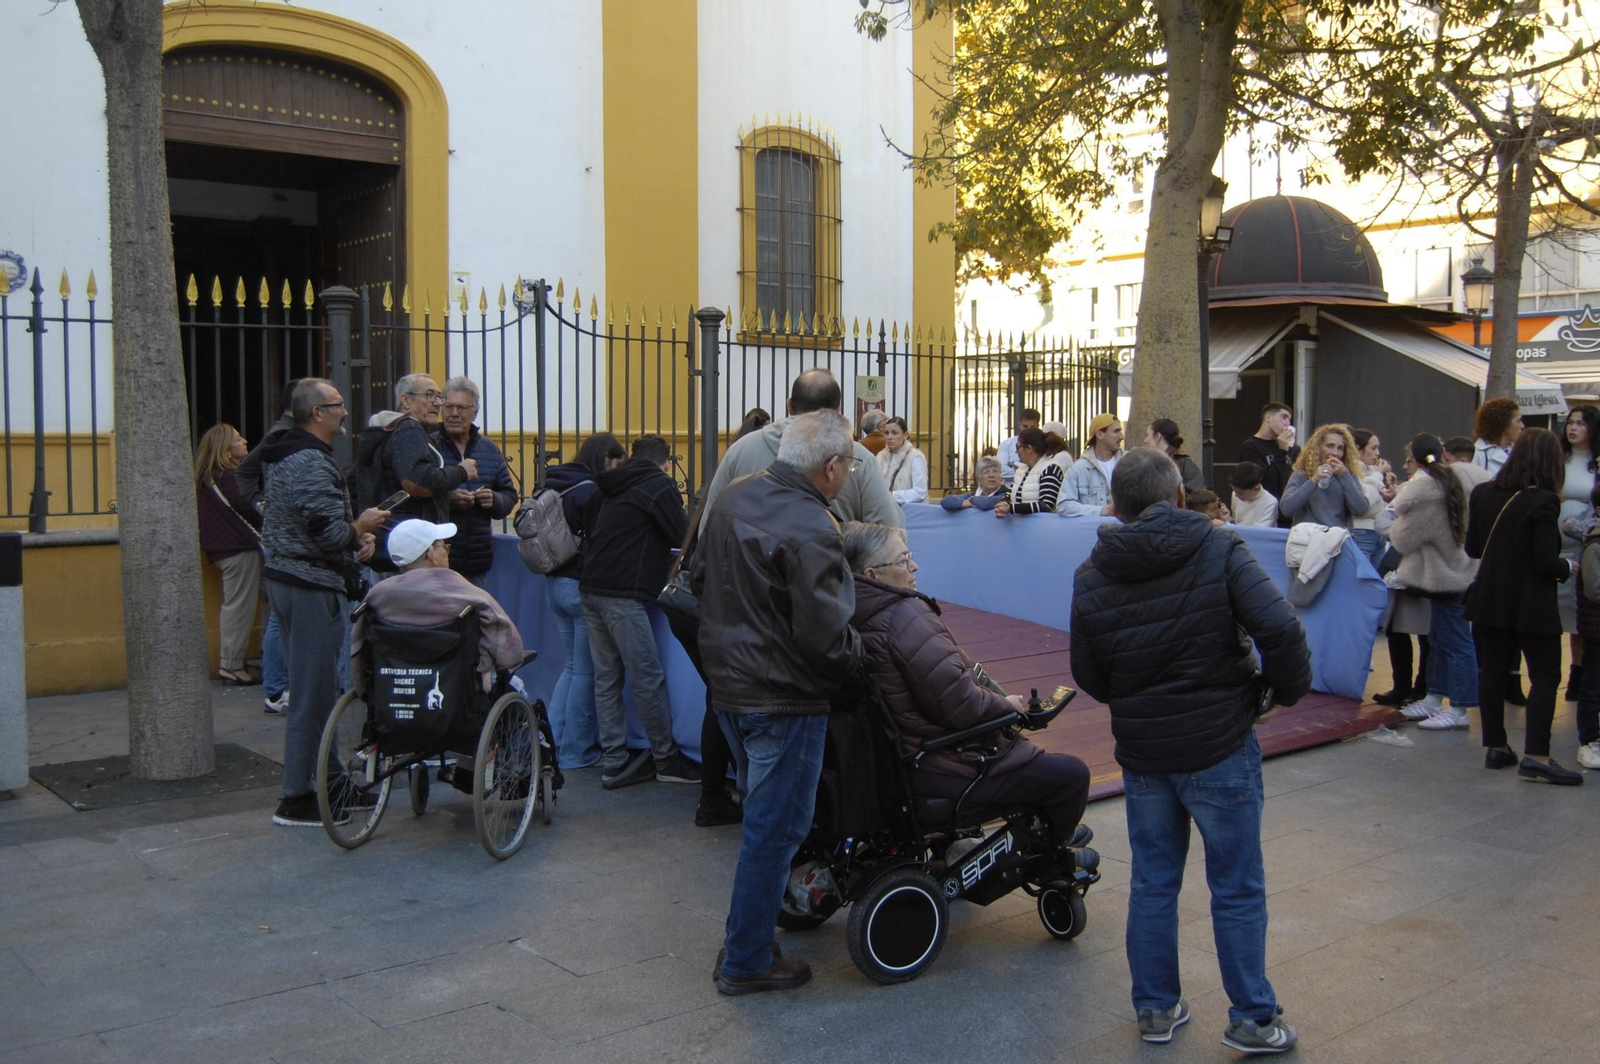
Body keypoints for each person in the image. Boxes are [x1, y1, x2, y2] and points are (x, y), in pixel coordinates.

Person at [1070, 447, 1312, 1053]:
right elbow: (1280, 628)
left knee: (1154, 880)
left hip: (1148, 748)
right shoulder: (1219, 546)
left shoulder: (1093, 571)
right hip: (1219, 743)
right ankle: (1253, 1017)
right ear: (1179, 496)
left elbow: (1091, 676)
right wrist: (1278, 693)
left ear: (1117, 507)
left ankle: (1155, 1007)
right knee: (1235, 884)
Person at [690, 410, 864, 996]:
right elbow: (827, 639)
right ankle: (745, 958)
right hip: (782, 699)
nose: (848, 473)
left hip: (731, 690)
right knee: (774, 830)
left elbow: (698, 576)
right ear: (832, 467)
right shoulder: (814, 525)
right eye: (849, 464)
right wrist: (860, 664)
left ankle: (750, 938)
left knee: (765, 824)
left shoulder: (737, 495)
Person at [841, 521, 1095, 855]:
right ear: (872, 575)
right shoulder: (904, 616)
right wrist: (1010, 707)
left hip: (900, 761)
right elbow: (960, 702)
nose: (914, 566)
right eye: (903, 561)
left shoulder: (846, 614)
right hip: (940, 762)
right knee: (1071, 776)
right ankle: (1051, 850)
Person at [259, 378, 389, 827]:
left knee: (318, 691)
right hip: (310, 586)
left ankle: (331, 782)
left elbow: (319, 532)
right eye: (337, 405)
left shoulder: (284, 453)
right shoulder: (310, 464)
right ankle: (296, 797)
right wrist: (360, 525)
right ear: (317, 412)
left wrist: (355, 540)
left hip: (289, 577)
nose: (345, 412)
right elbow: (329, 534)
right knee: (313, 697)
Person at [1465, 427, 1582, 785]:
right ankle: (1537, 755)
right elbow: (1546, 561)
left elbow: (1473, 548)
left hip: (1489, 598)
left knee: (1493, 672)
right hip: (1531, 603)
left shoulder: (1483, 493)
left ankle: (1496, 746)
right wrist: (1568, 567)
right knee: (1546, 674)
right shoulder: (1545, 500)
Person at [581, 434, 698, 790]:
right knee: (647, 676)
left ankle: (614, 758)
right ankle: (666, 758)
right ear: (666, 462)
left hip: (591, 586)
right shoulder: (659, 486)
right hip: (623, 592)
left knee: (607, 678)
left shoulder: (612, 481)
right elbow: (683, 535)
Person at [700, 369, 902, 531]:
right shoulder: (857, 456)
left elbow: (709, 526)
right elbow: (890, 532)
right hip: (831, 576)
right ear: (837, 411)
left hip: (745, 579)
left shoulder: (741, 450)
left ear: (789, 405)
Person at [350, 519, 525, 690]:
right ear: (430, 554)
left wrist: (363, 687)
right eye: (443, 546)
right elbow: (508, 647)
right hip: (456, 685)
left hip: (394, 682)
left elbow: (358, 645)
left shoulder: (377, 595)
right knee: (516, 684)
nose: (447, 552)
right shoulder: (467, 594)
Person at [541, 432, 627, 771]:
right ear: (607, 458)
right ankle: (576, 751)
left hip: (553, 582)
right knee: (586, 672)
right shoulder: (591, 492)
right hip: (579, 585)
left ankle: (553, 742)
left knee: (572, 668)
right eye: (617, 463)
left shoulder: (555, 481)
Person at [1388, 435, 1480, 732]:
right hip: (1462, 569)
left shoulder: (1424, 490)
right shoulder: (1462, 479)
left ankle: (1459, 708)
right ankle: (1434, 698)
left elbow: (1403, 538)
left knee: (1454, 642)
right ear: (1442, 453)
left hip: (1443, 576)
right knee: (1441, 639)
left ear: (1413, 461)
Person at [362, 373, 478, 557]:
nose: (438, 403)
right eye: (429, 395)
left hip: (388, 537)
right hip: (409, 544)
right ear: (406, 400)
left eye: (439, 396)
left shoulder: (388, 429)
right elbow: (417, 484)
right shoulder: (409, 429)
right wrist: (461, 472)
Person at [236, 378, 299, 712]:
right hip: (283, 536)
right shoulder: (282, 434)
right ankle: (276, 690)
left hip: (280, 533)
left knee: (280, 613)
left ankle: (279, 687)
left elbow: (246, 472)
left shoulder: (285, 431)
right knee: (279, 615)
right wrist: (259, 503)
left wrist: (260, 502)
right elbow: (245, 472)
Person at [194, 423, 263, 686]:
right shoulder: (229, 479)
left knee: (237, 604)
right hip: (238, 549)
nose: (244, 441)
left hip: (224, 549)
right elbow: (250, 509)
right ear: (225, 449)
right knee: (239, 607)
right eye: (237, 439)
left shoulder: (210, 478)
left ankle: (231, 663)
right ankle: (231, 665)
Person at [434, 377, 517, 588]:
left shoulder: (489, 449)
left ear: (474, 413)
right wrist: (449, 499)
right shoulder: (430, 446)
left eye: (461, 408)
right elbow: (417, 492)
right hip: (437, 560)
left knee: (475, 618)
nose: (454, 413)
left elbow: (509, 495)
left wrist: (494, 500)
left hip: (477, 561)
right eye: (449, 406)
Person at [1558, 405, 1600, 699]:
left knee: (1580, 610)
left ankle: (1580, 674)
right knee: (1562, 609)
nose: (1573, 428)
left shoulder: (1596, 464)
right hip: (1556, 541)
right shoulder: (1558, 458)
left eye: (1580, 423)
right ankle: (1574, 670)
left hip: (1587, 542)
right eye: (1570, 422)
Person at [1278, 424, 1369, 529]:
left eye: (1340, 448)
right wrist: (1313, 480)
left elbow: (1361, 510)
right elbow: (1287, 509)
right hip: (1307, 537)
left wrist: (1344, 476)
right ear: (1318, 448)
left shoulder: (1348, 475)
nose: (1335, 453)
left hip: (1336, 537)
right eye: (1330, 446)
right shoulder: (1302, 473)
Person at [1237, 402, 1300, 524]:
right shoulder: (1251, 447)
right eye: (1284, 417)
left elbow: (1291, 481)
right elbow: (1263, 482)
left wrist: (1287, 451)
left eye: (1289, 420)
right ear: (1268, 417)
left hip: (1287, 514)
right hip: (1262, 514)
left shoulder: (1292, 449)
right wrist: (1281, 452)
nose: (1287, 424)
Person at [1574, 482, 1600, 769]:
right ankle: (1588, 739)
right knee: (1593, 685)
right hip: (1596, 630)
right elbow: (1595, 590)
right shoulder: (1595, 546)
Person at [994, 426, 1073, 517]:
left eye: (1018, 447)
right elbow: (1010, 494)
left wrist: (1012, 508)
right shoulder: (1021, 470)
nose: (1016, 452)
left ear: (1029, 449)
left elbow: (1046, 505)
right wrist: (1004, 503)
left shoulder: (1051, 469)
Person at [1058, 413, 1123, 517]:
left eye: (1120, 431)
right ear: (1099, 434)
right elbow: (1064, 505)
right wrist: (1099, 511)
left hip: (1124, 531)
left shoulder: (1130, 463)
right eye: (1116, 431)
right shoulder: (1079, 468)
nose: (1122, 436)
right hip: (1092, 532)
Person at [1349, 429, 1397, 567]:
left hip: (1378, 533)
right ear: (1358, 448)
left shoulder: (1372, 471)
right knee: (1361, 578)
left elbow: (1380, 505)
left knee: (1378, 581)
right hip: (1361, 532)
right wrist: (1378, 476)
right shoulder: (1352, 470)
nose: (1378, 453)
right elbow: (1364, 504)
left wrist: (1389, 487)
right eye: (1373, 448)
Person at [876, 416, 929, 506]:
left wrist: (892, 496)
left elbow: (920, 491)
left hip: (908, 512)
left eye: (894, 433)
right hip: (884, 510)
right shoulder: (880, 457)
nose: (889, 437)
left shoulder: (915, 457)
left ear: (905, 435)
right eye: (886, 433)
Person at [1146, 418, 1204, 492]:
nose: (1145, 440)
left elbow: (1196, 498)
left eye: (1147, 435)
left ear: (1157, 436)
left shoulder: (1186, 465)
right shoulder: (1149, 464)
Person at [1472, 397, 1522, 476]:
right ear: (1504, 423)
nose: (1522, 426)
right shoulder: (1478, 454)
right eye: (1518, 421)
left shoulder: (1519, 452)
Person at [940, 454, 1008, 510]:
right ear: (979, 478)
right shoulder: (976, 494)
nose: (991, 475)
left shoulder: (1006, 494)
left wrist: (971, 501)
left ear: (1001, 476)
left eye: (995, 471)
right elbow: (946, 501)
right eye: (986, 472)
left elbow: (988, 503)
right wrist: (965, 502)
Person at [998, 407, 1042, 486]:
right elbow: (1000, 469)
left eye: (1032, 427)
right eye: (1025, 426)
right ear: (1019, 424)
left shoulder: (1042, 445)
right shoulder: (1006, 444)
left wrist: (1016, 469)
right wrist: (1027, 472)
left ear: (1037, 426)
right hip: (1010, 490)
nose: (1028, 430)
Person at [1229, 463, 1278, 527]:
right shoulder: (1235, 495)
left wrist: (1227, 525)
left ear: (1256, 488)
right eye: (1235, 491)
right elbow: (1236, 522)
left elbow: (1258, 532)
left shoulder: (1270, 503)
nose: (1236, 495)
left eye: (1240, 493)